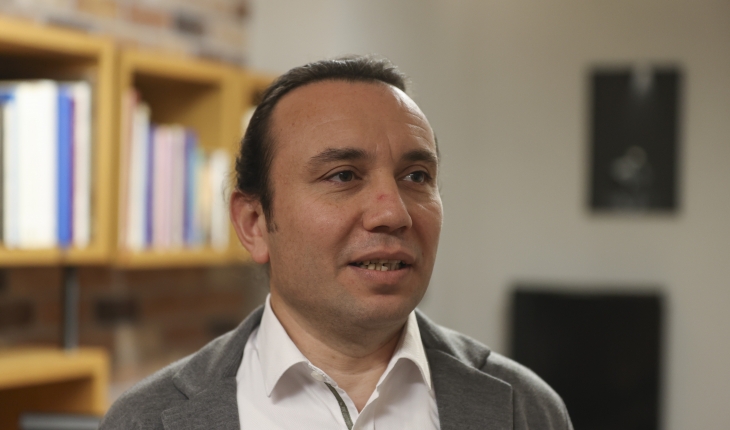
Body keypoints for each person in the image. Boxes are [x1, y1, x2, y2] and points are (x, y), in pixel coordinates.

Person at [100, 56, 573, 430]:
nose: (394, 214)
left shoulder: (526, 410)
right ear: (254, 223)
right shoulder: (146, 420)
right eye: (343, 176)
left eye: (416, 176)